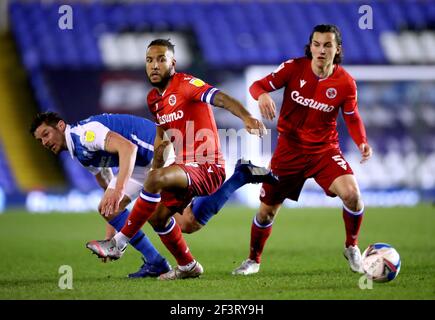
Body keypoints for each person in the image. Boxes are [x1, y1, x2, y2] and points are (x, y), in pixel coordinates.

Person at [85, 39, 278, 280]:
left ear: (172, 63)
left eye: (160, 59)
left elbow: (221, 98)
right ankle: (188, 266)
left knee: (161, 191)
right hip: (183, 165)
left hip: (208, 165)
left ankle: (118, 243)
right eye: (149, 60)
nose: (154, 65)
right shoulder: (154, 99)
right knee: (165, 219)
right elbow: (160, 137)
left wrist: (247, 117)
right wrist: (156, 166)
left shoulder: (186, 84)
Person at [232, 24, 373, 276]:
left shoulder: (346, 83)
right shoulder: (293, 68)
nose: (320, 50)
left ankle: (351, 246)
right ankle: (253, 260)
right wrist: (262, 95)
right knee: (266, 212)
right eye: (316, 44)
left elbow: (352, 116)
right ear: (310, 47)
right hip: (289, 151)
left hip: (324, 151)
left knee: (352, 195)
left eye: (327, 45)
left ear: (337, 49)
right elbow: (256, 85)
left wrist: (361, 140)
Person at [30, 112, 173, 278]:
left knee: (181, 221)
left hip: (160, 149)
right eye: (40, 140)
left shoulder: (84, 135)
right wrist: (110, 235)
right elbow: (107, 191)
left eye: (46, 134)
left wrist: (119, 190)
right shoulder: (81, 153)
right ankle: (156, 262)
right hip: (141, 163)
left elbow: (128, 148)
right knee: (108, 208)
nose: (45, 142)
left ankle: (186, 262)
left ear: (61, 126)